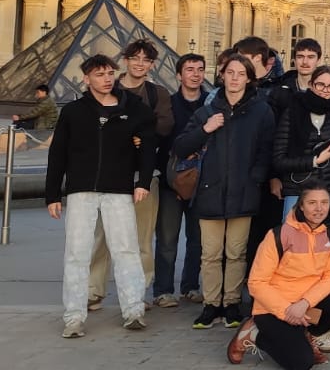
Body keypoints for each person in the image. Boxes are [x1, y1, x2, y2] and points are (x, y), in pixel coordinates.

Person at [45, 54, 155, 338]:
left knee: (127, 250)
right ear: (86, 79)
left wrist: (142, 181)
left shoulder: (133, 109)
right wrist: (52, 194)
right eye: (99, 74)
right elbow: (58, 154)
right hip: (81, 189)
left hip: (118, 189)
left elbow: (147, 146)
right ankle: (73, 316)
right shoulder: (73, 111)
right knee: (76, 254)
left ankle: (133, 310)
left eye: (109, 73)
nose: (106, 79)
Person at [174, 52, 277, 330]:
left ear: (249, 78)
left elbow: (266, 150)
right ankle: (210, 305)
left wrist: (254, 179)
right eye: (230, 73)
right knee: (210, 253)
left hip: (244, 191)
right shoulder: (207, 111)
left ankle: (230, 303)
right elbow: (181, 146)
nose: (234, 78)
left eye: (240, 74)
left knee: (236, 252)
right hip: (210, 190)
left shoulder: (261, 110)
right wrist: (205, 129)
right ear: (222, 76)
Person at [236, 182, 330, 370]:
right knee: (301, 363)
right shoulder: (279, 234)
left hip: (306, 306)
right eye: (312, 203)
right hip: (273, 308)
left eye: (324, 202)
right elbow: (256, 283)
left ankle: (306, 333)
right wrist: (287, 311)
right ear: (301, 206)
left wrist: (304, 303)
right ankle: (254, 335)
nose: (319, 209)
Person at [88, 39, 175, 313]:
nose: (140, 63)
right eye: (135, 58)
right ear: (125, 60)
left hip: (145, 172)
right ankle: (94, 290)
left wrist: (139, 132)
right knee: (101, 236)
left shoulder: (157, 92)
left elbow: (165, 126)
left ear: (151, 65)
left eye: (146, 60)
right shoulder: (105, 87)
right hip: (108, 174)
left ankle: (139, 290)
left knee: (141, 238)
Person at [155, 54, 209, 308]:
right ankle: (163, 290)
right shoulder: (167, 105)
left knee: (197, 239)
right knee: (167, 238)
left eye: (200, 69)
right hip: (171, 183)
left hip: (201, 182)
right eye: (190, 70)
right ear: (179, 75)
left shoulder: (211, 105)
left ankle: (190, 286)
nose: (196, 74)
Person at [274, 67, 330, 220]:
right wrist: (314, 161)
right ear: (311, 85)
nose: (324, 90)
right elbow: (279, 159)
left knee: (328, 240)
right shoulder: (292, 112)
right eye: (320, 84)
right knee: (292, 239)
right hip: (298, 189)